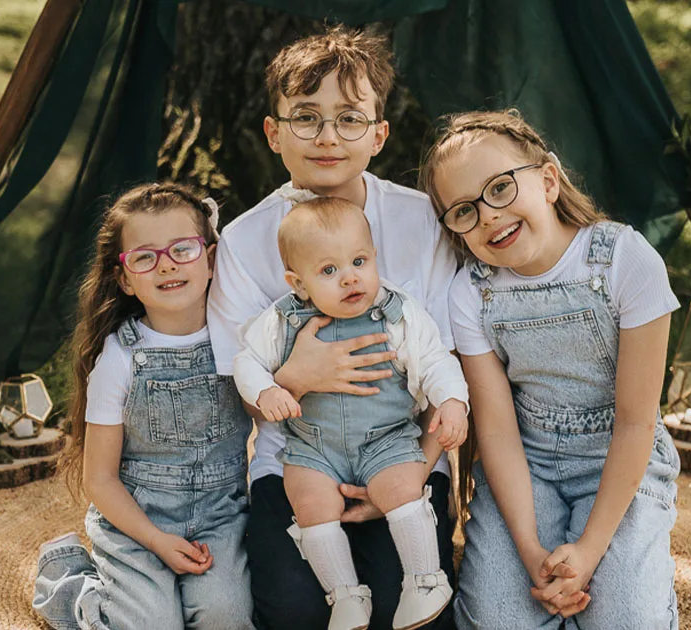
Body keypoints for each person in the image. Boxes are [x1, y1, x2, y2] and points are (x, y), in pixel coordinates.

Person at [207, 26, 460, 630]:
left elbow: (447, 369)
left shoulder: (421, 221)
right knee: (298, 613)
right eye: (305, 118)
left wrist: (413, 475)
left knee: (412, 609)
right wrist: (296, 375)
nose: (327, 137)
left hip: (406, 459)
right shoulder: (244, 241)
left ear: (378, 133)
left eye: (349, 118)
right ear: (274, 132)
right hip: (296, 466)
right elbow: (236, 388)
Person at [420, 110, 683, 629]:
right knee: (498, 619)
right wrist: (531, 549)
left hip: (620, 458)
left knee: (625, 620)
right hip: (528, 463)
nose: (489, 216)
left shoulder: (624, 260)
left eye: (499, 188)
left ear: (547, 179)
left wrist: (586, 551)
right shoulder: (471, 292)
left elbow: (636, 421)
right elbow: (495, 429)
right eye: (464, 211)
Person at [233, 197, 468, 630]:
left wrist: (452, 401)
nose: (350, 278)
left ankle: (425, 580)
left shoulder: (398, 313)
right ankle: (344, 594)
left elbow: (436, 361)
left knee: (401, 485)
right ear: (297, 282)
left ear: (374, 256)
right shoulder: (281, 320)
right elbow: (246, 363)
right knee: (308, 502)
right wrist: (268, 388)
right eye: (328, 271)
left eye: (359, 261)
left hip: (387, 437)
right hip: (313, 447)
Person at [32, 183, 253, 630]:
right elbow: (100, 479)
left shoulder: (241, 340)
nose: (167, 264)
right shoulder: (119, 358)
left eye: (182, 249)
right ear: (125, 279)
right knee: (152, 625)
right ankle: (68, 577)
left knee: (225, 617)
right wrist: (156, 539)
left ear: (211, 258)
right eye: (145, 257)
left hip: (221, 517)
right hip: (137, 522)